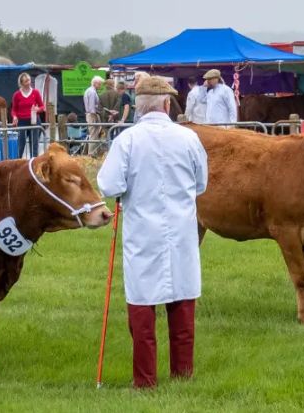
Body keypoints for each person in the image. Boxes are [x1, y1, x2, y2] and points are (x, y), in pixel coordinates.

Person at [97, 73, 208, 389]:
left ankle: (145, 380)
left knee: (142, 305)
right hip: (181, 231)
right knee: (182, 301)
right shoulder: (188, 138)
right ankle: (182, 373)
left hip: (143, 232)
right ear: (166, 105)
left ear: (139, 106)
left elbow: (109, 185)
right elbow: (201, 183)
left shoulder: (127, 140)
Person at [11, 72, 45, 158]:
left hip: (34, 121)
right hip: (22, 122)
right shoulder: (16, 95)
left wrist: (38, 109)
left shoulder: (35, 92)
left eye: (29, 80)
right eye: (26, 81)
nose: (29, 82)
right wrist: (14, 117)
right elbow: (14, 110)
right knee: (20, 145)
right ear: (21, 83)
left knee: (34, 145)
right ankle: (17, 161)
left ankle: (33, 162)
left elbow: (42, 106)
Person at [84, 76, 104, 155]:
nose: (100, 86)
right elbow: (92, 107)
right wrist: (95, 116)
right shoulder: (92, 92)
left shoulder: (89, 90)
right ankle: (92, 154)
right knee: (94, 134)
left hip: (90, 114)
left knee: (93, 134)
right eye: (100, 84)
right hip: (92, 115)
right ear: (95, 83)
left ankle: (93, 153)